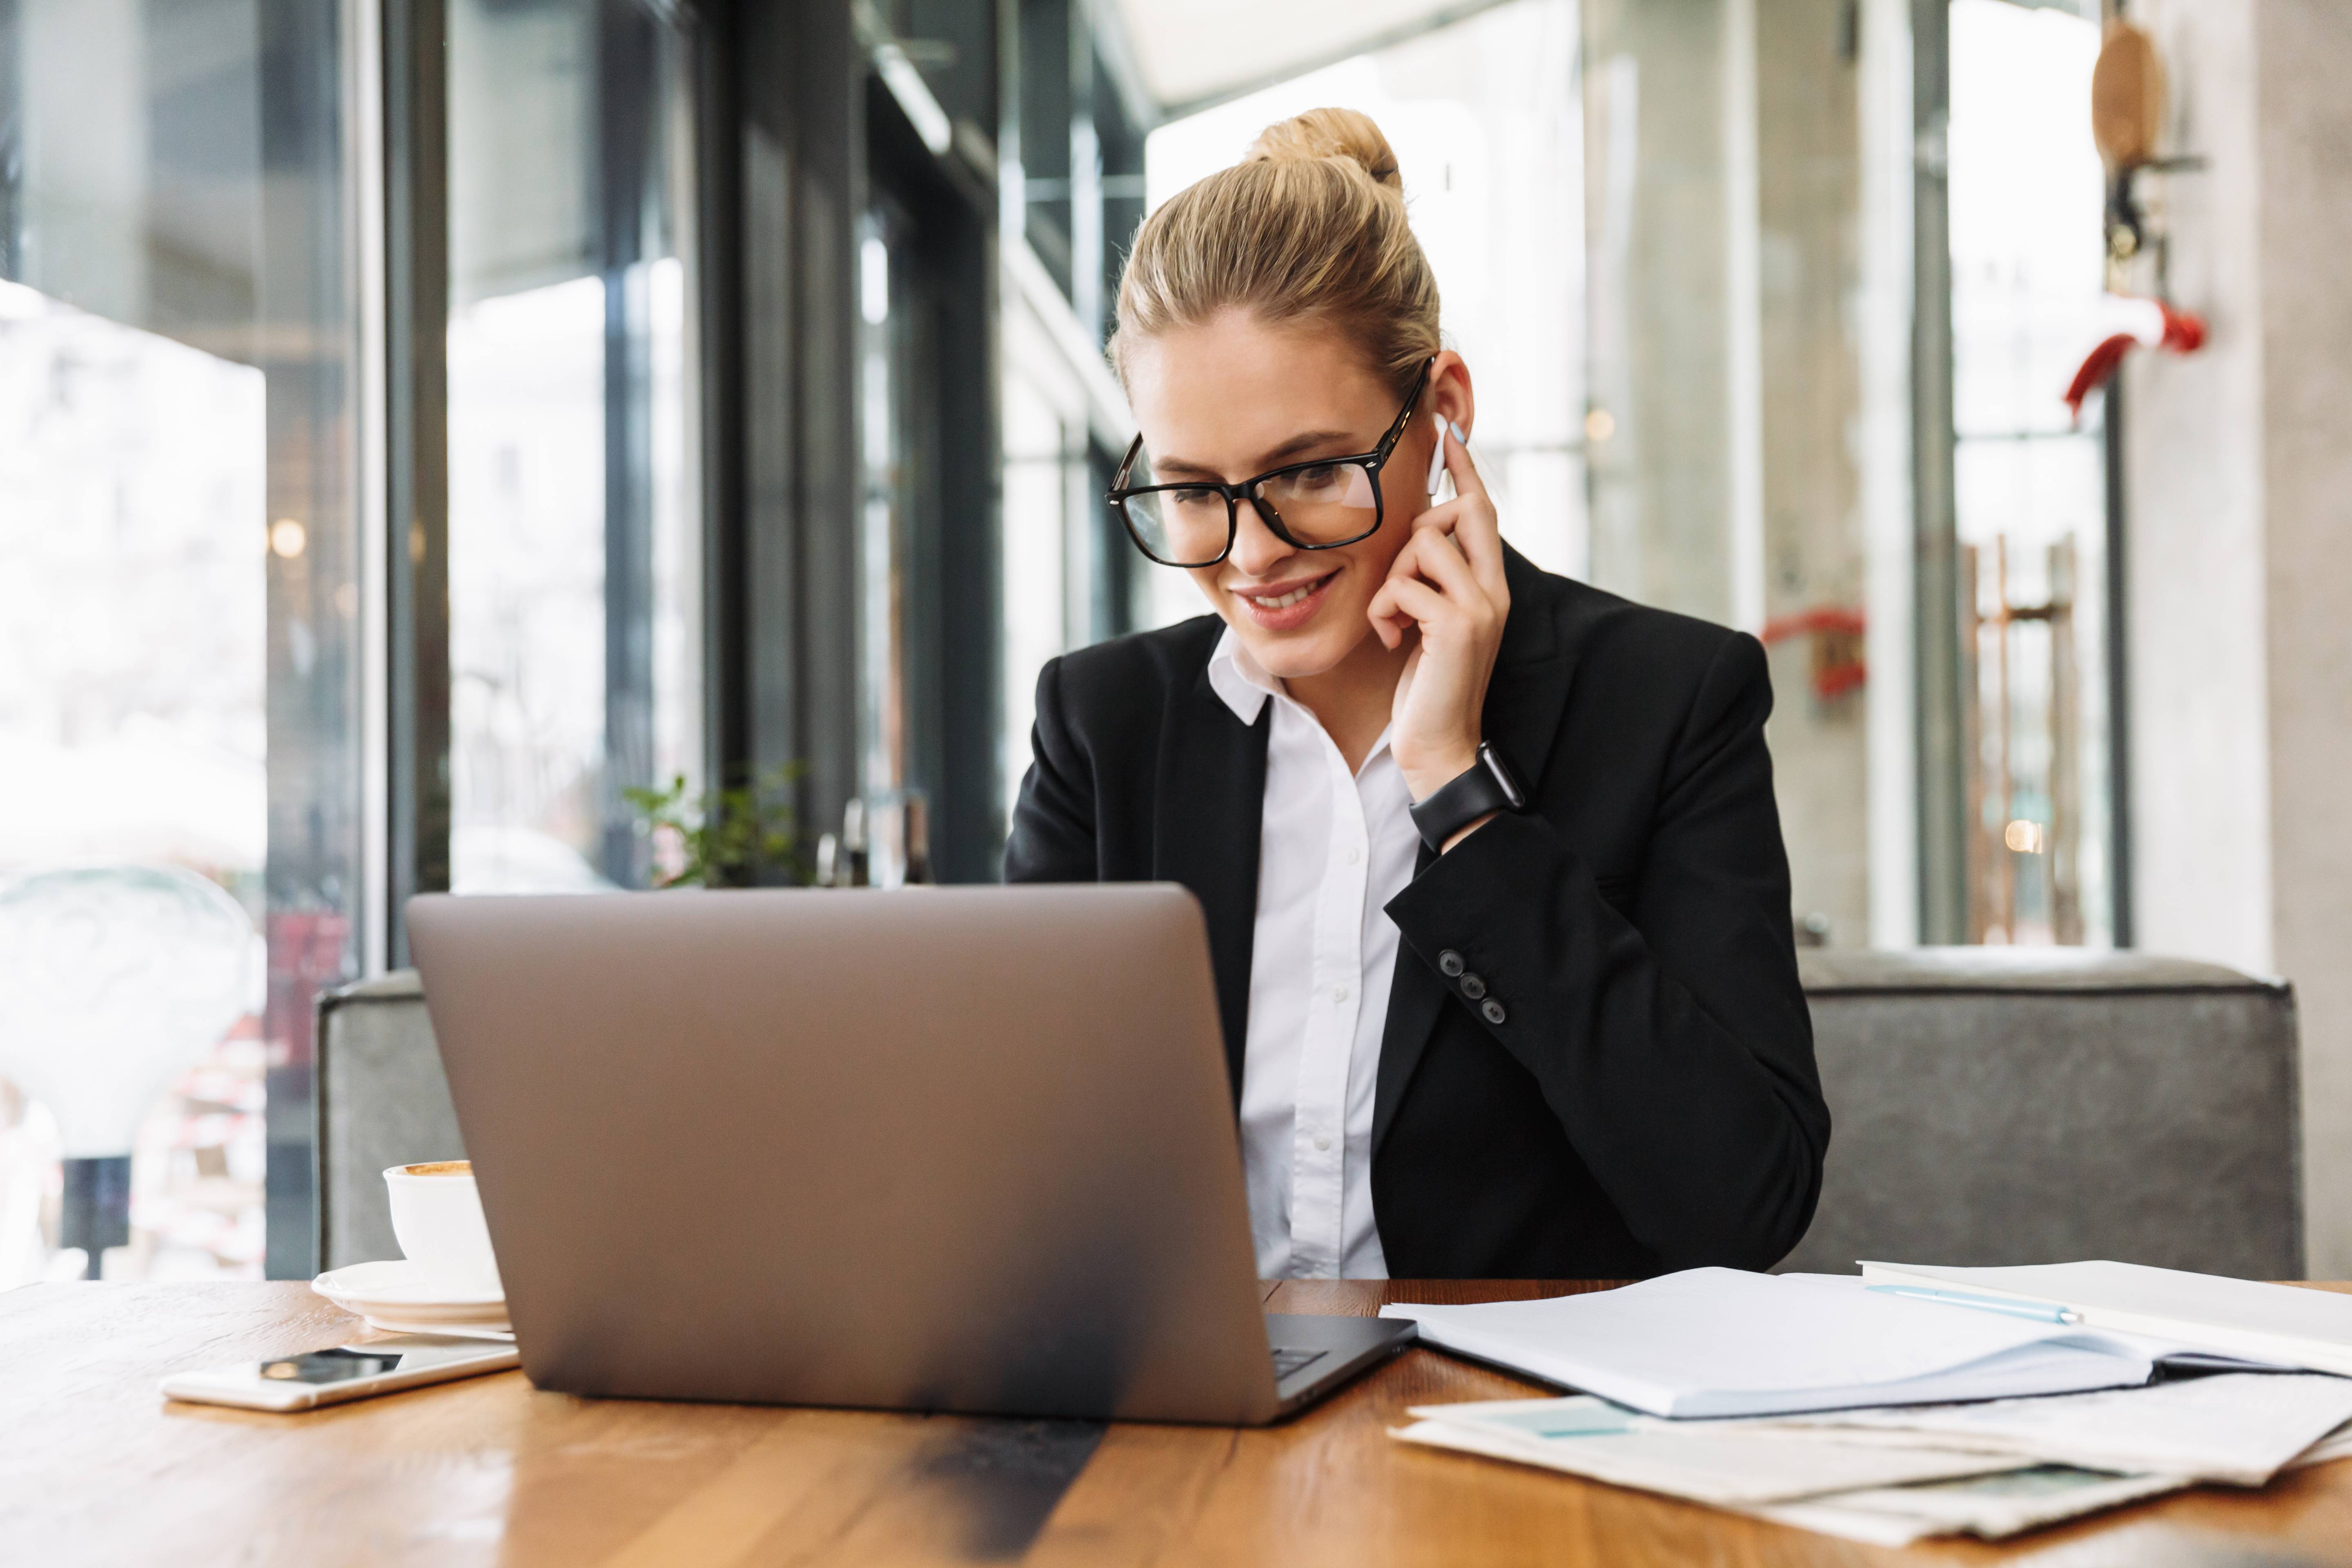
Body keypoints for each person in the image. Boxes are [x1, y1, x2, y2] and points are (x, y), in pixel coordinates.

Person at [1004, 108, 1828, 1281]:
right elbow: (1016, 1177)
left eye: (1308, 473)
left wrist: (1462, 800)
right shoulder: (1105, 729)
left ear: (1444, 411)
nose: (1251, 554)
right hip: (1193, 1427)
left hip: (1510, 1422)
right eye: (1190, 490)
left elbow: (1747, 1204)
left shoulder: (1668, 703)